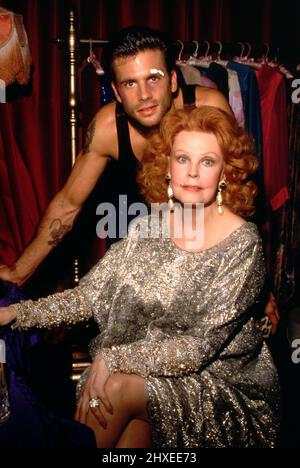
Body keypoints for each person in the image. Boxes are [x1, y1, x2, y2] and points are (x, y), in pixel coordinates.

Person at [0, 107, 280, 448]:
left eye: (207, 161)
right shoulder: (146, 229)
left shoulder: (242, 244)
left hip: (221, 385)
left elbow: (198, 349)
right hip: (149, 374)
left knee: (112, 387)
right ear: (167, 167)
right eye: (182, 159)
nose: (192, 173)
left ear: (225, 173)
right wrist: (18, 313)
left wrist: (114, 357)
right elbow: (90, 296)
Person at [0, 26, 231, 287]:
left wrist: (253, 280)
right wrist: (19, 271)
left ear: (173, 80)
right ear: (117, 92)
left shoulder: (209, 109)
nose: (144, 95)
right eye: (130, 83)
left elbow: (238, 194)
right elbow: (67, 205)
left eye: (153, 78)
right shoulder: (107, 129)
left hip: (208, 245)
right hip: (141, 248)